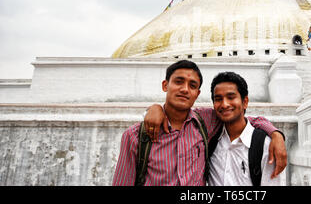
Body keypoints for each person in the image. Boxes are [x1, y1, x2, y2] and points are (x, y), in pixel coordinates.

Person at [112, 60, 286, 186]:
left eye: (192, 85)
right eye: (179, 82)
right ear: (165, 85)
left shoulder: (205, 121)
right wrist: (154, 108)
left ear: (197, 93)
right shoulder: (135, 136)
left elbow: (244, 118)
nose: (185, 89)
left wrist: (276, 134)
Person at [207, 71, 285, 186]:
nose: (224, 104)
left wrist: (276, 134)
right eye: (218, 99)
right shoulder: (210, 139)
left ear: (245, 102)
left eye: (231, 97)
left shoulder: (265, 145)